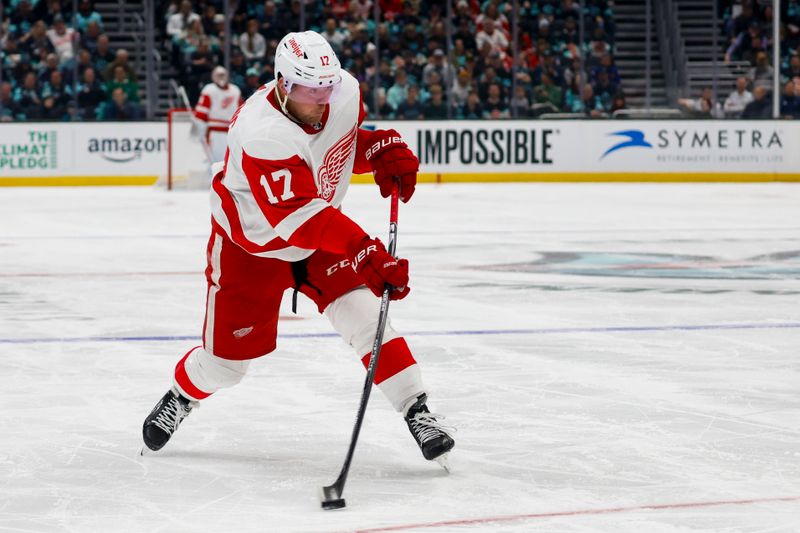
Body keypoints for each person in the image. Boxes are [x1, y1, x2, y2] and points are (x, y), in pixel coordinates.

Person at [142, 31, 455, 465]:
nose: (323, 99)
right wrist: (364, 250)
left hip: (321, 234)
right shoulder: (261, 132)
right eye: (311, 90)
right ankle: (181, 395)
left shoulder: (341, 93)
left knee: (368, 319)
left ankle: (417, 411)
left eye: (328, 87)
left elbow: (333, 155)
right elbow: (297, 218)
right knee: (225, 368)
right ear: (284, 85)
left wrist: (378, 150)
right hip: (253, 249)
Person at [194, 66, 244, 162]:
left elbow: (240, 112)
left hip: (231, 133)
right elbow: (201, 113)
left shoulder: (235, 90)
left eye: (223, 75)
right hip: (214, 133)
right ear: (213, 77)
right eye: (218, 75)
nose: (221, 77)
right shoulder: (209, 90)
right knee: (215, 163)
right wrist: (199, 131)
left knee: (230, 163)